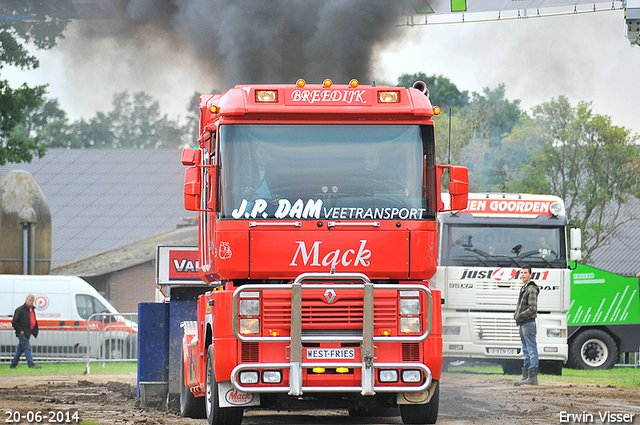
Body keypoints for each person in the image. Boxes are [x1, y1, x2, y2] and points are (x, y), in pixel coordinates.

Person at [513, 265, 539, 386]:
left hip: (528, 323)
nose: (522, 275)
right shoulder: (524, 288)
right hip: (523, 323)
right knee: (526, 349)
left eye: (525, 273)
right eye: (521, 273)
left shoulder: (531, 289)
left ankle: (532, 377)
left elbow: (533, 309)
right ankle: (526, 376)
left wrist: (519, 316)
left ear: (530, 275)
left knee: (531, 349)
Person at [10, 294, 41, 369]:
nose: (31, 302)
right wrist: (20, 330)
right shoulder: (20, 310)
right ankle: (31, 364)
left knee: (20, 349)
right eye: (30, 300)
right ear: (26, 300)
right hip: (22, 332)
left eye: (32, 301)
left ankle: (13, 364)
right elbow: (15, 322)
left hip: (28, 332)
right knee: (27, 347)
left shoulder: (31, 310)